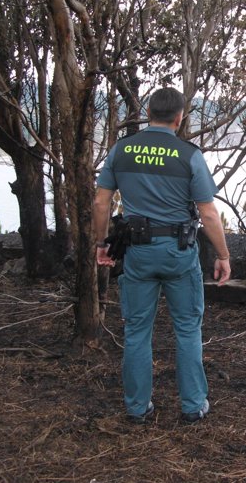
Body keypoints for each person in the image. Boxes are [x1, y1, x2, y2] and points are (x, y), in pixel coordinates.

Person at [92, 87, 231, 424]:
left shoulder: (121, 150)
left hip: (138, 252)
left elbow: (100, 202)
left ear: (148, 113)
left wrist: (101, 243)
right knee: (187, 329)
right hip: (180, 254)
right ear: (180, 117)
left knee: (137, 330)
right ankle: (192, 406)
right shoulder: (188, 154)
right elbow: (209, 214)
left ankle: (137, 408)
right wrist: (223, 255)